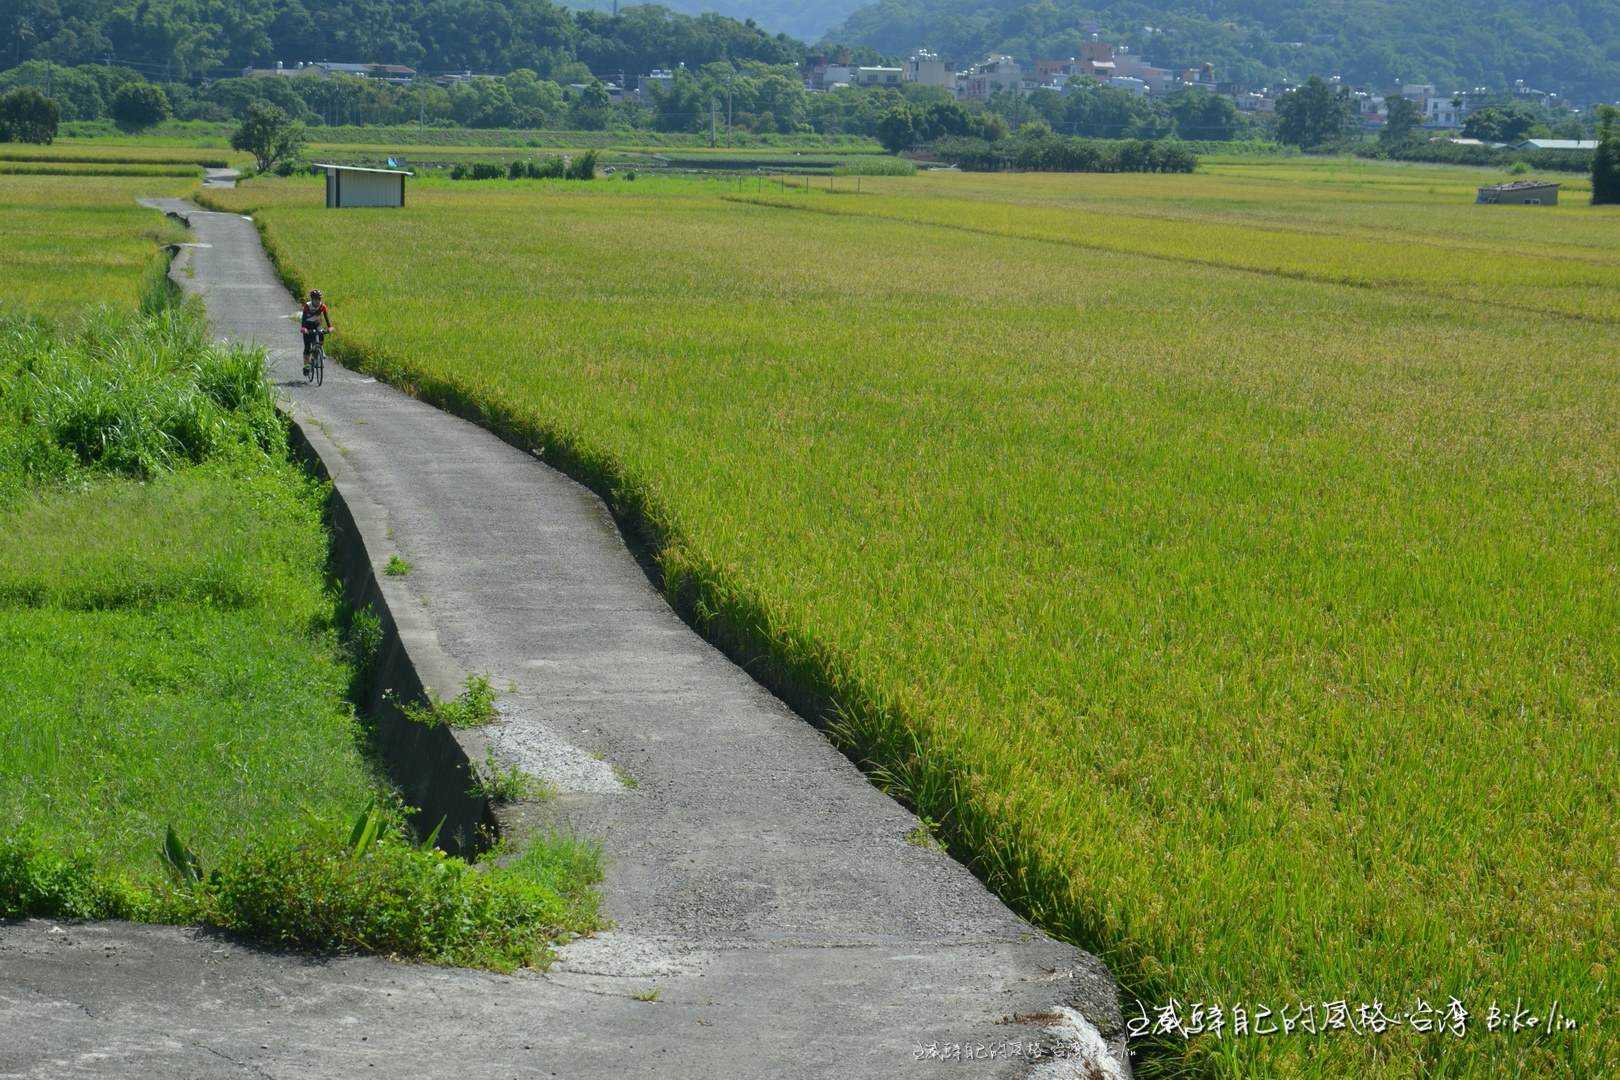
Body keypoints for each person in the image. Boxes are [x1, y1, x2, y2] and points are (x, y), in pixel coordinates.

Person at [299, 289, 334, 377]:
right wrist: (303, 328)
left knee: (321, 335)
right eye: (315, 299)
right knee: (307, 348)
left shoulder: (323, 306)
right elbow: (303, 318)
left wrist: (329, 327)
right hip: (307, 326)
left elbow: (326, 317)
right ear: (312, 299)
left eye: (319, 299)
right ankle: (306, 366)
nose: (318, 301)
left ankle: (319, 350)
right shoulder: (307, 306)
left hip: (317, 325)